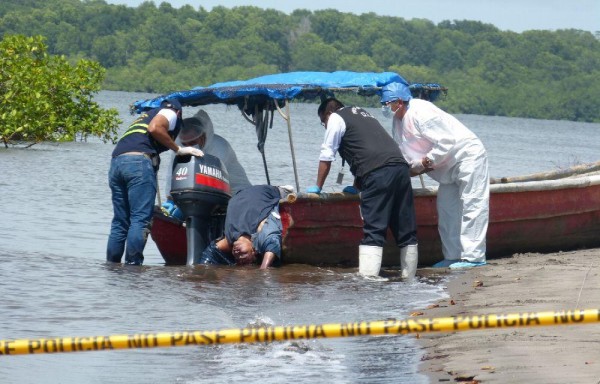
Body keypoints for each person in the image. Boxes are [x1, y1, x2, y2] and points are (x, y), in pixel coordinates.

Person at [380, 82, 489, 269]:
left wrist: (424, 163)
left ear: (399, 101)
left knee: (473, 204)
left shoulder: (421, 112)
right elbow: (405, 153)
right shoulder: (397, 122)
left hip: (465, 156)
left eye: (386, 104)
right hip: (445, 167)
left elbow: (446, 141)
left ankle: (474, 257)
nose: (385, 108)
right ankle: (453, 256)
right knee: (447, 210)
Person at [306, 98, 419, 279]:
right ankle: (409, 280)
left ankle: (368, 282)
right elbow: (366, 149)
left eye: (323, 123)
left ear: (328, 114)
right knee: (406, 229)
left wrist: (318, 186)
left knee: (374, 229)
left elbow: (327, 153)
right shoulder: (363, 114)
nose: (325, 126)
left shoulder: (335, 117)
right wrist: (356, 186)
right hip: (401, 169)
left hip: (379, 173)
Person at [107, 98, 204, 265]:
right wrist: (178, 149)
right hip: (138, 164)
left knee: (120, 221)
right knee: (140, 219)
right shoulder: (171, 112)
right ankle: (133, 267)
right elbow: (155, 128)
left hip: (116, 163)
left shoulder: (146, 116)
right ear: (179, 112)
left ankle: (112, 266)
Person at [161, 109, 252, 219]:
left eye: (193, 142)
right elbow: (172, 173)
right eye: (185, 143)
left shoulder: (220, 147)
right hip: (203, 197)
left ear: (203, 136)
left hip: (236, 195)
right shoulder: (181, 148)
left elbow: (208, 179)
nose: (189, 146)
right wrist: (171, 199)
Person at [198, 185, 293, 269]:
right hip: (271, 192)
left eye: (236, 257)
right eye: (243, 254)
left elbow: (210, 252)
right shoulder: (260, 232)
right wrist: (263, 269)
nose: (237, 254)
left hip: (240, 192)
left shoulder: (229, 240)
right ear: (254, 251)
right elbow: (272, 246)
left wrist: (200, 271)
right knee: (288, 193)